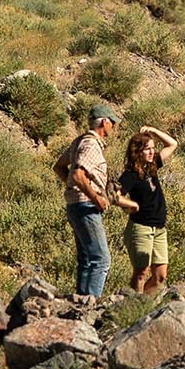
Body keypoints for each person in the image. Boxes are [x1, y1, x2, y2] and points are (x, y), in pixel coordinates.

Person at [56, 102, 118, 301]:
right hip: (86, 206)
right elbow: (77, 174)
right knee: (101, 259)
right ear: (104, 122)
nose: (113, 127)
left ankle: (80, 303)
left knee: (86, 259)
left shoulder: (79, 141)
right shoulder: (91, 144)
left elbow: (59, 167)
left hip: (76, 204)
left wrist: (73, 189)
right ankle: (90, 304)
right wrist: (95, 196)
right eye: (112, 122)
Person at [118, 127, 174, 295]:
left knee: (160, 275)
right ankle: (135, 303)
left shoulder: (152, 166)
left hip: (159, 228)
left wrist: (154, 132)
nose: (152, 152)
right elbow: (115, 195)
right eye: (147, 149)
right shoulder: (130, 174)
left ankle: (146, 304)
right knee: (141, 272)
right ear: (138, 151)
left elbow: (172, 144)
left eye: (152, 148)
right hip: (141, 228)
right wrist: (131, 204)